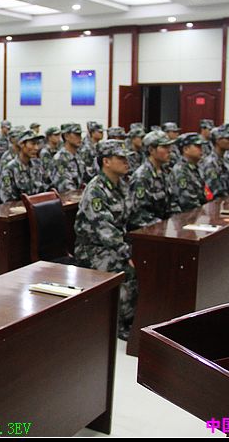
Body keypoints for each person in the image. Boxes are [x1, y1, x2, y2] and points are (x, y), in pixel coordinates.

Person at [74, 140, 136, 340]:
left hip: (115, 243)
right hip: (93, 249)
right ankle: (120, 323)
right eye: (121, 158)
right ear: (106, 161)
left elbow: (130, 218)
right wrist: (126, 253)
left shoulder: (122, 185)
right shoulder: (96, 190)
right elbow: (104, 229)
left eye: (127, 158)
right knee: (126, 268)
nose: (126, 162)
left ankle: (137, 315)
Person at [127, 131, 173, 230]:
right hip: (148, 231)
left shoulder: (164, 172)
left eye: (169, 147)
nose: (169, 150)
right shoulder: (142, 177)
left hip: (163, 228)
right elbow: (139, 215)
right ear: (151, 150)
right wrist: (163, 225)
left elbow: (170, 204)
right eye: (164, 147)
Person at [168, 133, 213, 214]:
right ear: (186, 149)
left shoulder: (195, 167)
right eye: (197, 146)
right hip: (188, 216)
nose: (201, 149)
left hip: (199, 213)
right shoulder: (181, 171)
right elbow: (188, 204)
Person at [0, 129, 47, 202]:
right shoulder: (9, 169)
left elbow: (47, 188)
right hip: (20, 208)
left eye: (37, 144)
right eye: (33, 144)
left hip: (38, 205)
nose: (36, 148)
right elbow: (7, 199)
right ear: (21, 144)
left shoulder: (38, 164)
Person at [199, 126, 229, 199]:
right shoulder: (210, 163)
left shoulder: (227, 160)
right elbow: (215, 191)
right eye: (227, 139)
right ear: (217, 140)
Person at [52, 123, 88, 193]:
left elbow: (85, 180)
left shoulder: (78, 157)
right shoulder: (60, 159)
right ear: (66, 136)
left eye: (80, 134)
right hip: (67, 198)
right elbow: (66, 189)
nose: (80, 137)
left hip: (78, 196)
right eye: (76, 134)